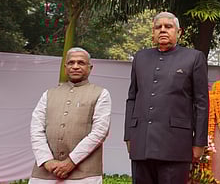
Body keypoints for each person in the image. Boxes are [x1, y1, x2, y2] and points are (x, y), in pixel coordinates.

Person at [124, 12, 209, 184]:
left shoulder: (194, 57)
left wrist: (199, 142)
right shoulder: (140, 57)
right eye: (158, 27)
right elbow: (132, 98)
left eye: (168, 26)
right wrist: (129, 135)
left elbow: (201, 103)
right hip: (142, 142)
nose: (163, 30)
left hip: (175, 144)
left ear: (179, 32)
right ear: (153, 33)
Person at [29, 47, 112, 184]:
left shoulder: (101, 94)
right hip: (45, 173)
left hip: (84, 174)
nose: (75, 66)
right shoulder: (49, 94)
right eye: (71, 63)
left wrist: (71, 161)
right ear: (65, 67)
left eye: (81, 63)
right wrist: (47, 161)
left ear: (90, 67)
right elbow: (36, 128)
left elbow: (100, 132)